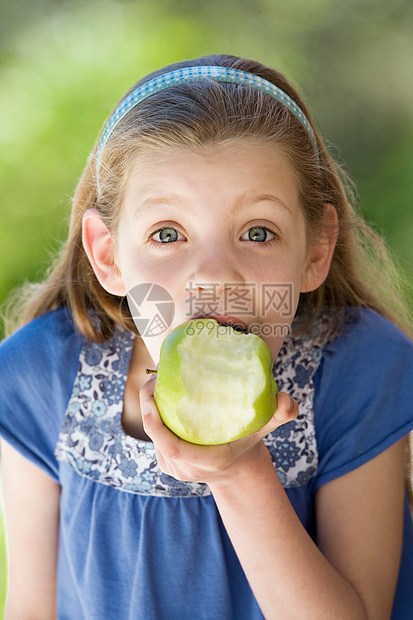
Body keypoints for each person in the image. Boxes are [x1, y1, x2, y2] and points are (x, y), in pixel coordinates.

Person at [0, 54, 412, 620]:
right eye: (167, 234)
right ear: (108, 254)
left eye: (258, 232)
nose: (216, 275)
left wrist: (240, 473)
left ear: (315, 250)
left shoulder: (362, 369)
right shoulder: (34, 375)